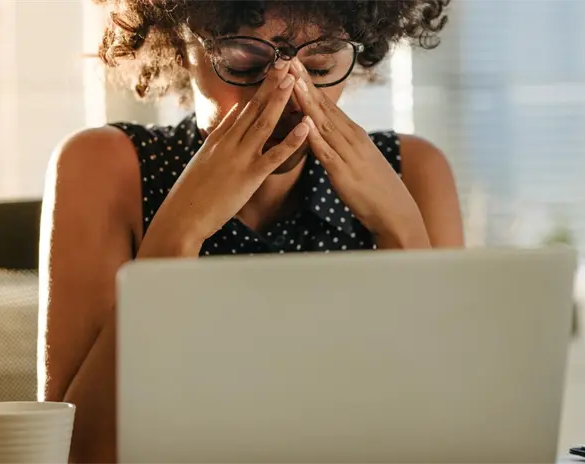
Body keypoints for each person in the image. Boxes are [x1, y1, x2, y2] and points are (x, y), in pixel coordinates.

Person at [39, 0, 463, 462]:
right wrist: (180, 231)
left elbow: (453, 432)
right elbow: (78, 450)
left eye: (320, 66)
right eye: (243, 62)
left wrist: (401, 231)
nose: (288, 95)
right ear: (181, 46)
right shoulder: (104, 167)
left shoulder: (413, 172)